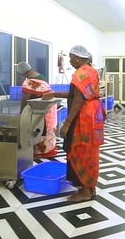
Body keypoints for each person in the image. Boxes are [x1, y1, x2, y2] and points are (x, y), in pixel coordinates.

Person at [44, 45, 105, 202]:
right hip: (94, 114)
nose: (70, 62)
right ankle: (91, 187)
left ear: (78, 58)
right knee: (91, 151)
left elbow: (77, 100)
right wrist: (54, 94)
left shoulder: (80, 74)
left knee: (80, 150)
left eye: (71, 58)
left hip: (84, 116)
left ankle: (85, 191)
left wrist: (66, 124)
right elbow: (76, 94)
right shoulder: (92, 71)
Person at [17, 61, 57, 158]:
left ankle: (40, 153)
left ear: (22, 73)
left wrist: (21, 114)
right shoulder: (41, 76)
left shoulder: (28, 82)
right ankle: (49, 150)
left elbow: (25, 100)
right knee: (48, 129)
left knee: (39, 128)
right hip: (50, 106)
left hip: (43, 108)